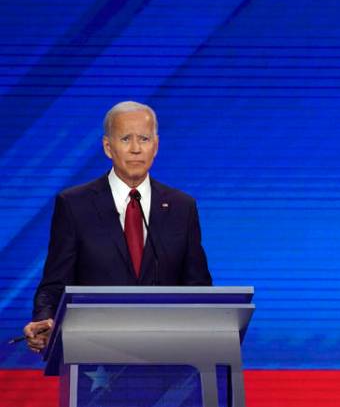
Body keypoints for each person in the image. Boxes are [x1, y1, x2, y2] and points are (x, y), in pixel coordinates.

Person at [22, 101, 212, 352]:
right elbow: (55, 283)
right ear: (108, 147)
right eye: (125, 139)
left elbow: (198, 288)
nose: (136, 149)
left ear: (155, 146)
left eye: (144, 139)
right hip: (94, 356)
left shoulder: (181, 207)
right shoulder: (74, 205)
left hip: (168, 355)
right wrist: (43, 319)